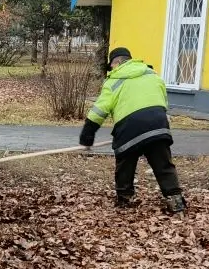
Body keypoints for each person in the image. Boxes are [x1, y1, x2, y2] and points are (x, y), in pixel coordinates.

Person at [79, 47, 186, 213]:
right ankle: (176, 201)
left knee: (125, 164)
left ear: (116, 63)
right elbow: (163, 100)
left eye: (111, 66)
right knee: (163, 165)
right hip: (158, 124)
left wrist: (87, 135)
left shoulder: (114, 81)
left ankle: (125, 199)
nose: (112, 69)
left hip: (129, 128)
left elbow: (99, 111)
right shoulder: (152, 75)